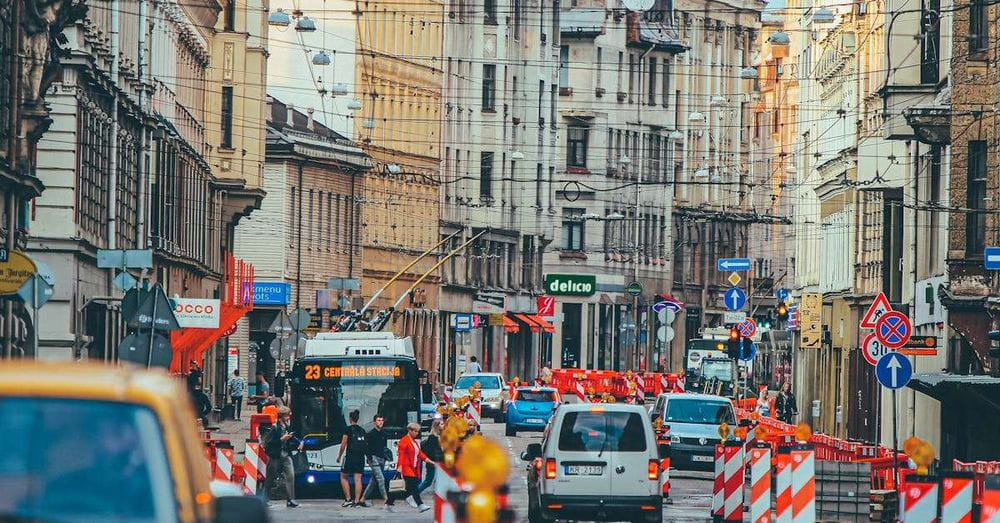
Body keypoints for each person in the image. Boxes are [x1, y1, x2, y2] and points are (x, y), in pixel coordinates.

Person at [263, 406, 300, 508]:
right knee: (271, 477)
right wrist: (281, 439)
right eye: (287, 415)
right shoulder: (275, 428)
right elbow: (269, 444)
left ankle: (290, 499)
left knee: (290, 475)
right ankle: (264, 499)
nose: (289, 417)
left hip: (286, 455)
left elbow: (290, 439)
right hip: (275, 456)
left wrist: (298, 443)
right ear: (281, 416)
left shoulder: (286, 427)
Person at [397, 423, 431, 512]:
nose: (417, 433)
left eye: (417, 431)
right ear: (410, 431)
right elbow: (401, 455)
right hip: (406, 467)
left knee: (404, 487)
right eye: (415, 431)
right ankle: (420, 504)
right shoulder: (404, 440)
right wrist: (399, 467)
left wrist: (428, 460)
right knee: (414, 485)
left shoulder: (413, 441)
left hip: (413, 467)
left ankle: (389, 503)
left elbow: (419, 453)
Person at [337, 410, 368, 507]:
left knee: (343, 476)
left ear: (350, 419)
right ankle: (357, 500)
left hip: (350, 457)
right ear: (357, 419)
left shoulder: (348, 429)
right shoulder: (362, 430)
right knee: (358, 479)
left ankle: (348, 499)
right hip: (360, 457)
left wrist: (339, 456)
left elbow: (343, 444)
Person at [362, 415, 393, 508]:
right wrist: (369, 458)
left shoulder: (384, 434)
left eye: (382, 420)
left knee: (374, 480)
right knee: (381, 478)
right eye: (378, 420)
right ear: (374, 422)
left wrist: (386, 457)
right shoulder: (370, 434)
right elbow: (366, 447)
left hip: (382, 459)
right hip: (373, 459)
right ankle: (386, 499)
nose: (380, 422)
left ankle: (362, 499)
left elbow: (384, 448)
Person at [417, 418, 444, 494]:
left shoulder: (440, 436)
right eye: (441, 424)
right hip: (432, 463)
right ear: (437, 426)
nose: (443, 425)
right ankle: (414, 494)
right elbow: (431, 451)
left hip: (439, 463)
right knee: (428, 482)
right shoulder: (432, 437)